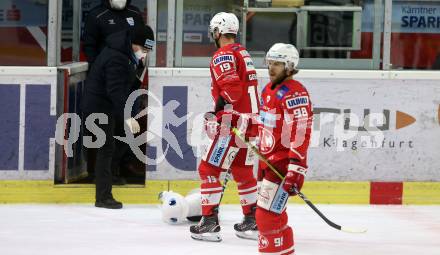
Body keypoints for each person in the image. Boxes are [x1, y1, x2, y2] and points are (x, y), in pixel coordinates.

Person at [189, 12, 260, 242]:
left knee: (208, 169)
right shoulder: (243, 52)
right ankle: (252, 220)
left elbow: (232, 90)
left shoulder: (223, 54)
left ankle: (209, 222)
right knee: (242, 171)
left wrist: (218, 112)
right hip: (250, 123)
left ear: (218, 32)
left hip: (232, 124)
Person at [81, 26, 153, 209]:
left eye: (148, 51)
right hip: (99, 107)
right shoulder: (117, 58)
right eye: (143, 50)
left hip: (110, 105)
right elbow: (115, 92)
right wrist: (128, 117)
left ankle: (111, 175)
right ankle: (103, 196)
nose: (144, 54)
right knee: (106, 147)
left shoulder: (126, 53)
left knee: (121, 138)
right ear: (134, 43)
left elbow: (127, 85)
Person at [256, 43, 313, 254]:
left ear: (290, 66)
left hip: (282, 164)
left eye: (277, 64)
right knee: (273, 215)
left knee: (266, 216)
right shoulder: (268, 90)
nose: (271, 68)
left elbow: (301, 132)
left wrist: (296, 168)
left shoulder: (295, 93)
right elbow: (263, 123)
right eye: (269, 63)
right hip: (268, 162)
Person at [83, 0, 146, 66]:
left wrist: (142, 59)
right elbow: (89, 46)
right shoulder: (96, 15)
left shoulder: (135, 13)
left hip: (133, 70)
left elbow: (147, 38)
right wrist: (97, 68)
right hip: (107, 70)